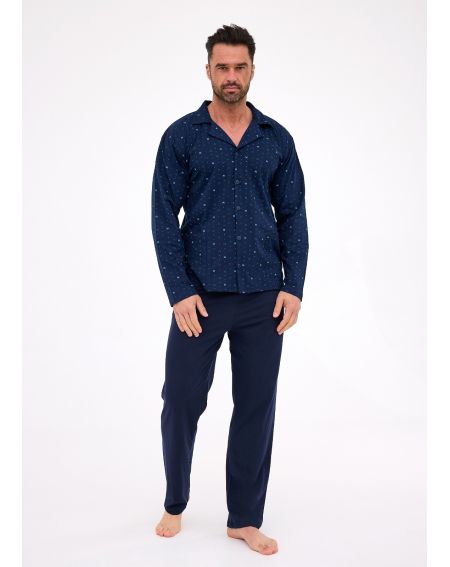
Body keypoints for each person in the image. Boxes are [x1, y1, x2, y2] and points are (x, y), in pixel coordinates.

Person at [150, 23, 309, 555]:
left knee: (256, 407)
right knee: (181, 400)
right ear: (208, 71)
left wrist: (294, 286)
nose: (232, 76)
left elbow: (293, 216)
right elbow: (163, 218)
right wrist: (179, 291)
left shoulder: (275, 138)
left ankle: (243, 519)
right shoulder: (182, 136)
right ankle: (175, 502)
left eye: (240, 67)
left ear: (253, 70)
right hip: (198, 299)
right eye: (223, 67)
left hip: (264, 298)